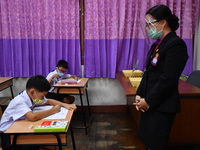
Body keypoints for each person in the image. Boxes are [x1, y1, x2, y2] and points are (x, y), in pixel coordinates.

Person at [133, 5, 188, 150]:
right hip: (150, 104)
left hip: (162, 106)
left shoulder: (176, 45)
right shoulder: (156, 45)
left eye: (149, 24)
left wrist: (148, 100)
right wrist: (140, 94)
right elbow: (148, 72)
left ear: (162, 22)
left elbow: (168, 79)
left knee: (157, 144)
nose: (146, 28)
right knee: (147, 141)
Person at [0, 75, 76, 150]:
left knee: (51, 145)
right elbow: (33, 117)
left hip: (20, 130)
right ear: (32, 92)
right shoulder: (19, 101)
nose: (43, 98)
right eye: (42, 96)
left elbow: (49, 101)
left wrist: (65, 105)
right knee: (49, 144)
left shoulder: (32, 97)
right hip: (10, 137)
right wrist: (53, 110)